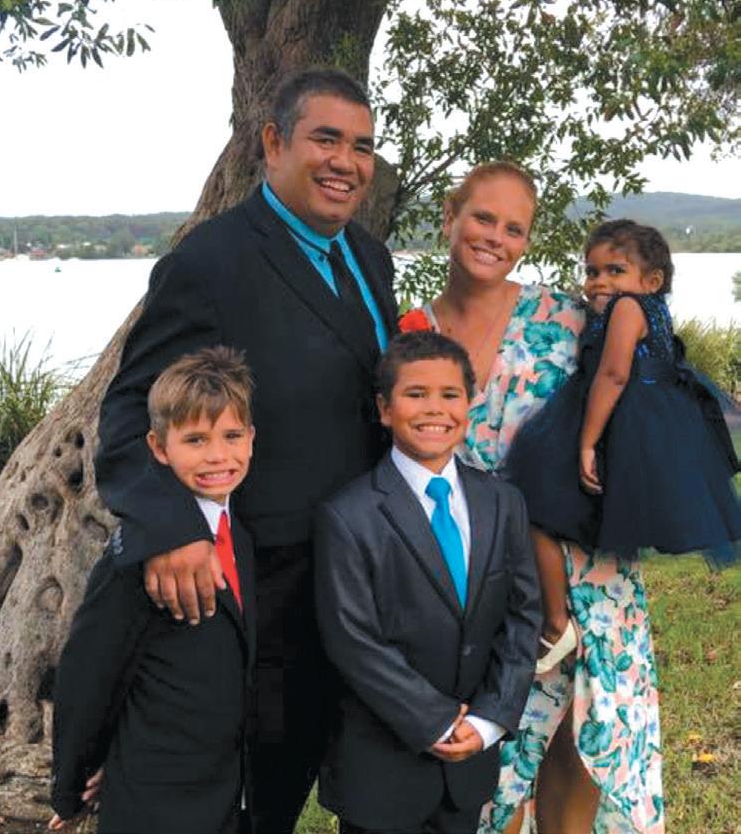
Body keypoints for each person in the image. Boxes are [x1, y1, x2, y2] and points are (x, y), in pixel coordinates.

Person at [94, 68, 399, 833]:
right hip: (265, 595)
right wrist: (170, 527)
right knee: (258, 800)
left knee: (357, 787)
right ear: (273, 142)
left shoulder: (371, 258)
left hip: (360, 583)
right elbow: (132, 409)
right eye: (326, 139)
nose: (346, 162)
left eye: (362, 146)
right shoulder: (212, 260)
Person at [400, 162, 664, 834]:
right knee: (494, 767)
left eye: (514, 228)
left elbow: (642, 391)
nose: (496, 237)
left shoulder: (568, 315)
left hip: (590, 571)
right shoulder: (412, 333)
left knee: (582, 744)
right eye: (482, 218)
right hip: (480, 579)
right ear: (450, 217)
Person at [314, 331, 542, 834]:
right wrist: (435, 720)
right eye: (415, 394)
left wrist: (488, 720)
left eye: (449, 394)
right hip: (380, 770)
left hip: (470, 762)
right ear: (385, 408)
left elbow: (523, 617)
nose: (434, 409)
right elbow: (352, 639)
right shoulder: (348, 515)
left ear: (469, 404)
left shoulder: (503, 502)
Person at [504, 220, 739, 670]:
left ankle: (556, 623)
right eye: (591, 271)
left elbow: (613, 375)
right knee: (552, 508)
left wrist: (587, 442)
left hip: (616, 421)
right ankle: (568, 611)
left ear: (652, 281)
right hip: (637, 421)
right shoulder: (645, 308)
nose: (599, 282)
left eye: (615, 270)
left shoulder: (628, 308)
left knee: (530, 502)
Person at [49, 346, 256, 834]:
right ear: (159, 448)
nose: (218, 456)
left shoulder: (242, 537)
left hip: (223, 792)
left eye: (231, 436)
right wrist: (72, 783)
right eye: (195, 440)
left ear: (251, 438)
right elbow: (90, 673)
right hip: (154, 802)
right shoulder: (139, 556)